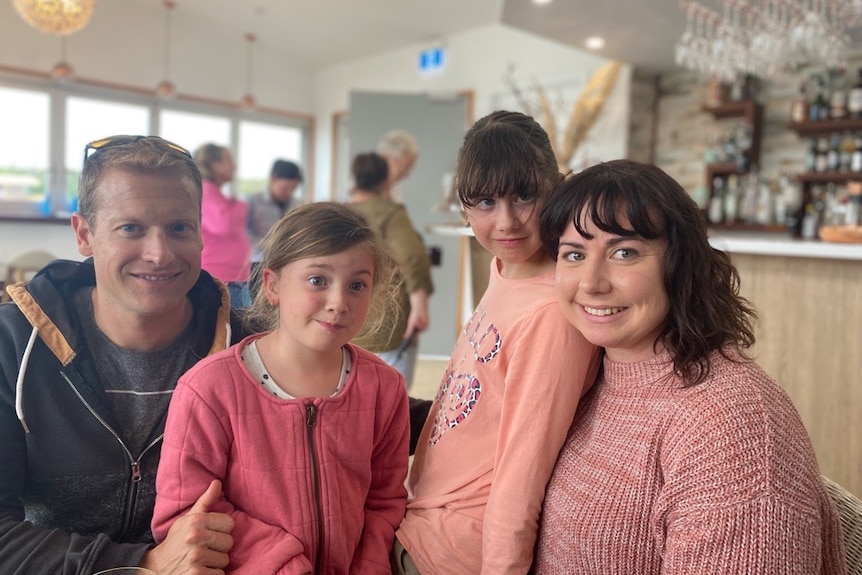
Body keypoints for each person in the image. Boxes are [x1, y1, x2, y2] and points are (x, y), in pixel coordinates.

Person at [534, 159, 846, 574]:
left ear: (680, 265)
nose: (591, 282)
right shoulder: (587, 374)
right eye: (573, 254)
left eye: (624, 252)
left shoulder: (731, 425)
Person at [0, 135, 245, 575]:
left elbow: (350, 402)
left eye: (179, 228)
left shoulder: (248, 345)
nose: (160, 253)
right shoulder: (12, 346)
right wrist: (142, 563)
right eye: (131, 228)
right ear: (84, 235)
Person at [392, 111, 600, 575]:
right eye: (485, 202)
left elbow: (523, 471)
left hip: (458, 550)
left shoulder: (552, 315)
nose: (506, 222)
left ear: (557, 186)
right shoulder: (506, 269)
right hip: (420, 516)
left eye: (525, 196)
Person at [152, 202, 411, 574]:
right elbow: (182, 513)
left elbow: (384, 501)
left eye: (357, 285)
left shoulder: (384, 388)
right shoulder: (208, 389)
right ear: (273, 286)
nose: (339, 303)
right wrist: (282, 563)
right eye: (318, 280)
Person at [348, 151, 433, 388]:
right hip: (387, 324)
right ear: (386, 182)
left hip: (350, 324)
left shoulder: (339, 214)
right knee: (394, 396)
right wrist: (420, 307)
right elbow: (413, 258)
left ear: (354, 178)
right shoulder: (391, 214)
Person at [195, 143, 252, 308]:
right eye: (228, 160)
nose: (234, 166)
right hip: (221, 279)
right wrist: (242, 206)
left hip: (232, 278)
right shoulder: (205, 190)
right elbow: (223, 225)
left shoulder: (216, 194)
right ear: (213, 164)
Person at [247, 159, 304, 264]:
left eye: (293, 188)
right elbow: (242, 234)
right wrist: (267, 244)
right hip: (257, 260)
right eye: (285, 188)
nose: (289, 192)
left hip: (287, 260)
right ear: (273, 179)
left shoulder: (299, 205)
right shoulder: (252, 201)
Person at [376, 129, 419, 204]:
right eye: (404, 168)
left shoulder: (394, 188)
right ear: (386, 158)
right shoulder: (360, 186)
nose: (406, 175)